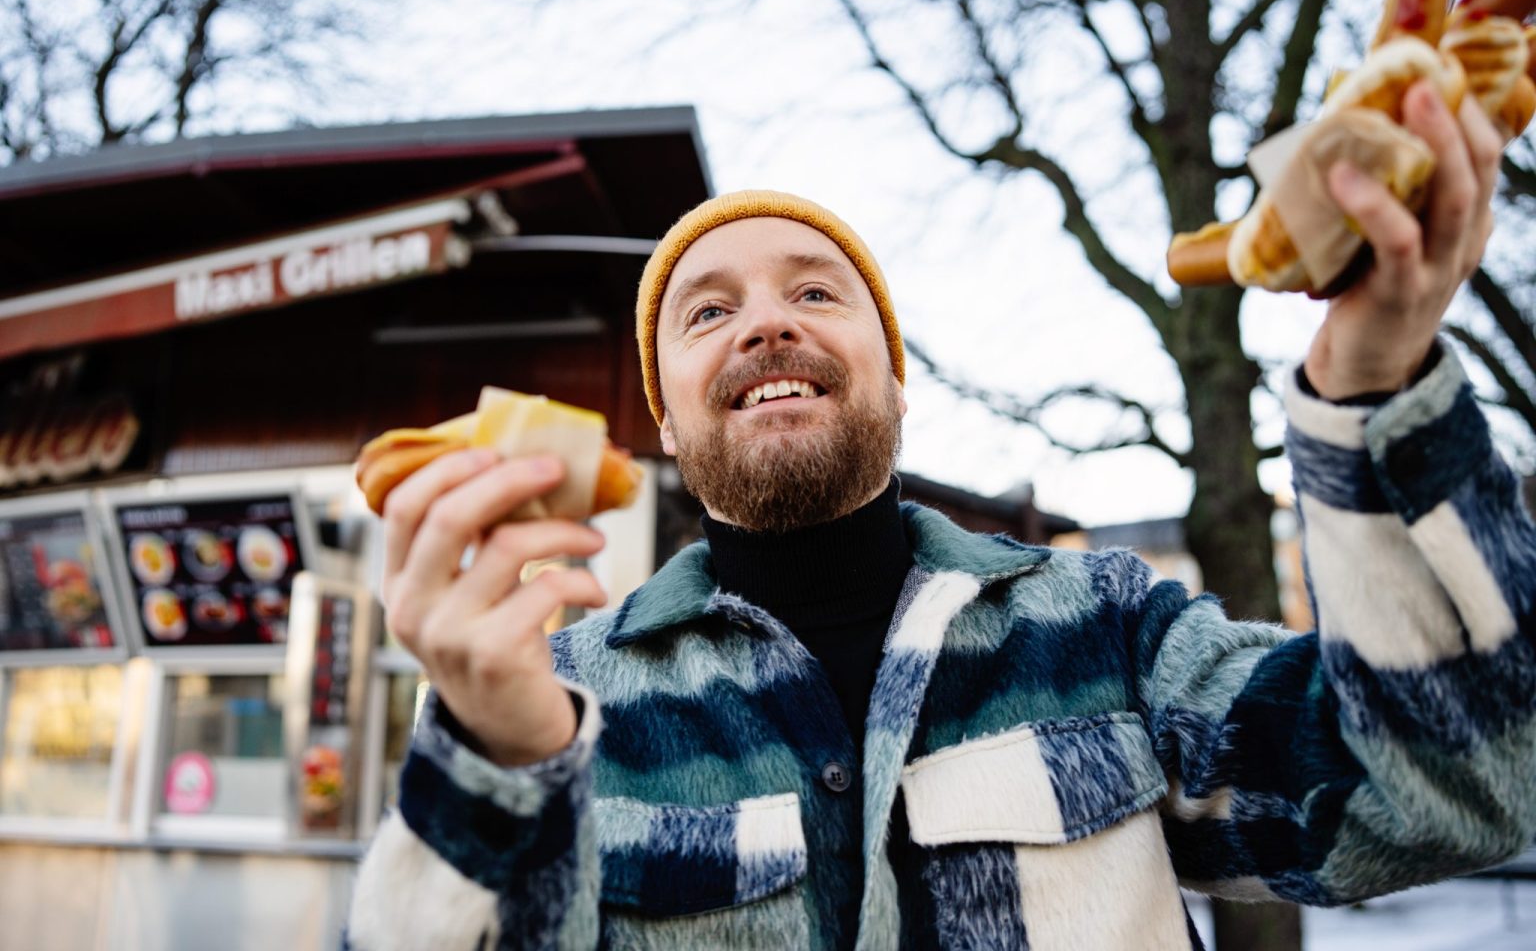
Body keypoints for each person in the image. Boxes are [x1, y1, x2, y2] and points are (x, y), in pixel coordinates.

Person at [344, 78, 1536, 951]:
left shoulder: (1107, 630)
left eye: (816, 291)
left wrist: (1376, 388)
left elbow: (1449, 787)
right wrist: (493, 755)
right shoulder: (558, 704)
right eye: (707, 313)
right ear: (666, 426)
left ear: (896, 379)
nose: (768, 323)